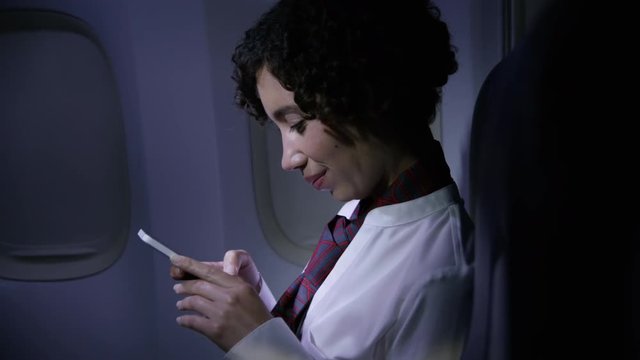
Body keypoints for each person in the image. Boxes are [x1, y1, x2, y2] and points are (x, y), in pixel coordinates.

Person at [169, 0, 474, 358]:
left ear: (366, 97)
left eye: (297, 124)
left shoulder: (442, 269)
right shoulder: (360, 213)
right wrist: (255, 306)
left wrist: (255, 341)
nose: (287, 159)